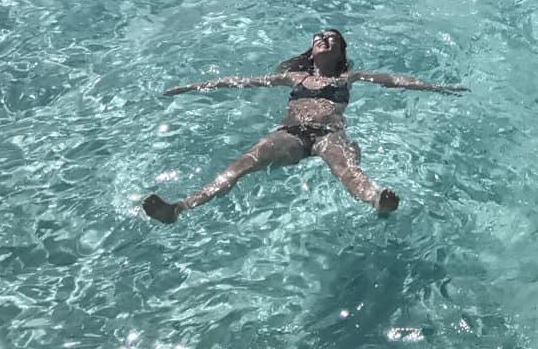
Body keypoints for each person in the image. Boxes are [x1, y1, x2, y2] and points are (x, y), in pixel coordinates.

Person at [143, 29, 463, 223]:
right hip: (290, 134)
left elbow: (395, 81)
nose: (324, 40)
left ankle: (377, 199)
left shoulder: (347, 77)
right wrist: (192, 87)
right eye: (320, 38)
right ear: (312, 51)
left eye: (332, 39)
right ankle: (179, 208)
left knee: (349, 171)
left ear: (340, 53)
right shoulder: (294, 77)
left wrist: (437, 88)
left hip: (330, 134)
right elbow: (240, 82)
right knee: (239, 166)